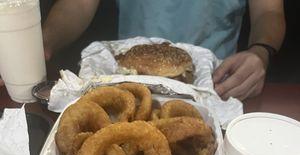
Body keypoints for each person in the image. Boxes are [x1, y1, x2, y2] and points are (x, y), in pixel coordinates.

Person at [1, 0, 286, 101]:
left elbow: (269, 12)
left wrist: (260, 52)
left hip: (218, 83)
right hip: (126, 82)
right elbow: (78, 4)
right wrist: (45, 41)